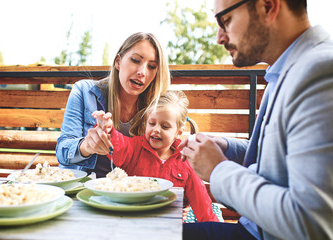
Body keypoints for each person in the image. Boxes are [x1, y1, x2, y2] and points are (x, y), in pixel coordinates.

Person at [180, 0, 333, 239]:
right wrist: (225, 147)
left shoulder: (320, 72)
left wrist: (218, 170)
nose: (219, 37)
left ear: (268, 6)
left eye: (225, 21)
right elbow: (279, 158)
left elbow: (311, 223)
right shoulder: (286, 69)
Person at [92, 91, 220, 222]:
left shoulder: (185, 161)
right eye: (152, 123)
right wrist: (107, 130)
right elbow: (118, 145)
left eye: (165, 126)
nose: (156, 129)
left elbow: (202, 204)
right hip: (133, 220)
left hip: (169, 224)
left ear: (178, 132)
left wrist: (215, 230)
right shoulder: (135, 147)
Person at [56, 32, 171, 178]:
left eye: (152, 66)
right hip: (84, 190)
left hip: (131, 192)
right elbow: (62, 152)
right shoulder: (84, 91)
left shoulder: (158, 108)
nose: (142, 72)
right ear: (118, 61)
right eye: (135, 60)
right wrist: (86, 146)